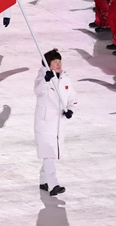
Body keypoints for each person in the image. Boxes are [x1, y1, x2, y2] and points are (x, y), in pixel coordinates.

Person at [35, 49, 78, 197]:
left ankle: (43, 180)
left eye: (59, 61)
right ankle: (53, 185)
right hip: (45, 122)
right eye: (55, 62)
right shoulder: (42, 77)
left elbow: (72, 97)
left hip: (60, 123)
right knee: (49, 154)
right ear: (48, 64)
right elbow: (38, 91)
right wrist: (46, 80)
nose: (58, 64)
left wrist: (70, 110)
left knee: (50, 154)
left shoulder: (66, 78)